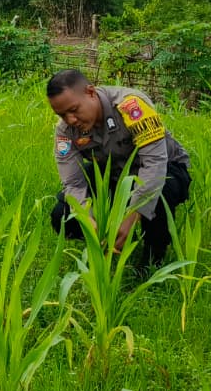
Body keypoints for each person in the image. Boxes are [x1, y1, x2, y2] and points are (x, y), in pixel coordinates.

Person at [46, 69, 191, 266]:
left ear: (90, 92)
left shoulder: (131, 105)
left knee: (159, 197)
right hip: (113, 173)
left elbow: (154, 165)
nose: (70, 120)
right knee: (62, 213)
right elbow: (73, 181)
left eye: (74, 110)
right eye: (62, 114)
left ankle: (152, 260)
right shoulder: (65, 131)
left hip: (166, 168)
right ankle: (111, 241)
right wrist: (86, 217)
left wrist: (133, 214)